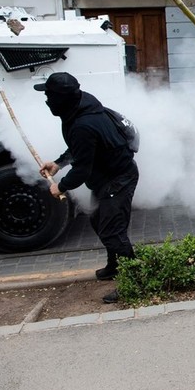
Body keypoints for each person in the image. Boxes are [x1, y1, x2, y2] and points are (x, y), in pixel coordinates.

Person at [35, 72, 139, 304]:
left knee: (113, 231)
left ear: (60, 99)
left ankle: (135, 280)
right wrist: (59, 164)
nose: (46, 100)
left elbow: (81, 169)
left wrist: (60, 187)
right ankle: (115, 266)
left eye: (49, 95)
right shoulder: (80, 108)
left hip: (118, 179)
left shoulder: (84, 123)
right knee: (98, 221)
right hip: (105, 178)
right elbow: (81, 148)